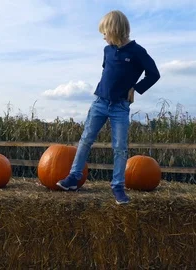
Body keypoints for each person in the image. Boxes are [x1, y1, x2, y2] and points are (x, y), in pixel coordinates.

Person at [56, 10, 160, 204]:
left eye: (105, 33)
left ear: (114, 30)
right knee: (86, 139)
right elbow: (107, 71)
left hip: (120, 107)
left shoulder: (137, 51)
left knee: (120, 147)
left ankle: (118, 186)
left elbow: (154, 74)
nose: (103, 37)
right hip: (100, 103)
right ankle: (73, 177)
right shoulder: (108, 51)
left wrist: (136, 88)